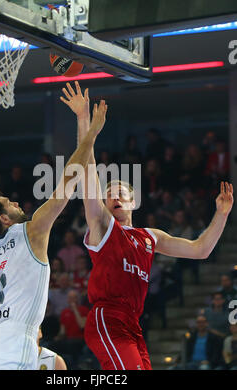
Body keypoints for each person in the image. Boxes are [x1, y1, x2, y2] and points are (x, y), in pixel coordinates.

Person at [60, 80, 234, 370]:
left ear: (133, 201)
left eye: (120, 193)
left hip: (133, 324)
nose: (114, 196)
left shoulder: (150, 236)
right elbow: (87, 172)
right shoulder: (103, 227)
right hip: (108, 317)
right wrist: (85, 123)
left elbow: (201, 250)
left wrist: (222, 215)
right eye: (109, 194)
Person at [0, 99, 108, 370]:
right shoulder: (31, 231)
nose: (17, 203)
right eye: (10, 203)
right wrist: (91, 132)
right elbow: (68, 179)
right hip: (17, 347)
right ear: (4, 218)